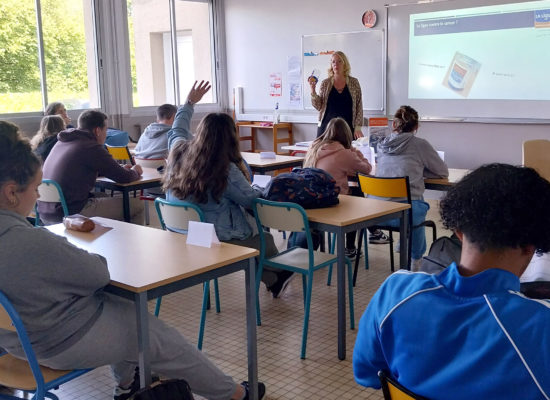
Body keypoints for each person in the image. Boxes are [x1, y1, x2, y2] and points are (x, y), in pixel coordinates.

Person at [0, 120, 265, 400]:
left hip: (17, 340)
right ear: (10, 193)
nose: (38, 194)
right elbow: (98, 273)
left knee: (126, 307)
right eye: (34, 188)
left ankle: (127, 387)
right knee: (160, 337)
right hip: (58, 342)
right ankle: (235, 394)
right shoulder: (26, 241)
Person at [353, 163, 550, 399]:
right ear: (531, 247)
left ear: (458, 230)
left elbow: (366, 373)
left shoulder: (395, 292)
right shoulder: (541, 327)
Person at [164, 82, 293, 298]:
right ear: (230, 138)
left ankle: (274, 280)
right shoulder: (223, 167)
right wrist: (264, 190)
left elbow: (176, 131)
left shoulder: (178, 151)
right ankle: (277, 275)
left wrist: (189, 103)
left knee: (250, 242)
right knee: (264, 239)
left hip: (181, 233)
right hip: (213, 237)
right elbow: (251, 201)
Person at [38, 110, 144, 224]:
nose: (106, 133)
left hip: (45, 211)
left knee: (103, 196)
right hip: (71, 213)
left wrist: (118, 168)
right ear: (97, 131)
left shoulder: (62, 142)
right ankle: (129, 241)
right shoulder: (90, 147)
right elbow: (125, 177)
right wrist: (134, 171)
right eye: (106, 130)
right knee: (136, 205)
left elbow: (80, 169)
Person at [375, 105, 448, 269]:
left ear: (394, 124)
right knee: (415, 202)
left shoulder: (381, 145)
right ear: (416, 127)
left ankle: (404, 245)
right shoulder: (420, 144)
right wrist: (422, 172)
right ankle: (416, 259)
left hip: (376, 212)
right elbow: (443, 171)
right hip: (405, 213)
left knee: (411, 200)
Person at [303, 117, 372, 256]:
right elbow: (367, 168)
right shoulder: (344, 153)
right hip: (331, 202)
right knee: (356, 199)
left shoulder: (313, 147)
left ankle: (372, 231)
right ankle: (351, 247)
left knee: (354, 193)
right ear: (346, 135)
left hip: (311, 199)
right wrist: (354, 150)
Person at [310, 51, 363, 140]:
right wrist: (313, 90)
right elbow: (319, 106)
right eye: (333, 62)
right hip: (326, 129)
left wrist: (358, 128)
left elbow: (359, 106)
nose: (336, 64)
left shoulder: (354, 83)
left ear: (345, 64)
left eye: (339, 61)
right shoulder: (325, 83)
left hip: (347, 129)